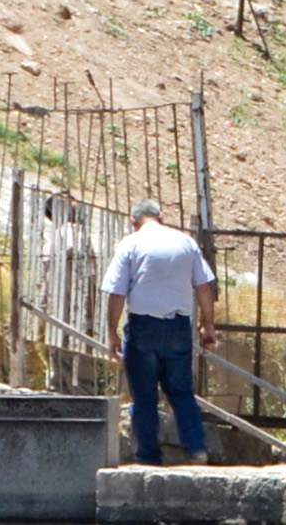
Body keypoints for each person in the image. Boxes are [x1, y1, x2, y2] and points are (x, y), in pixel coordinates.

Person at [99, 199, 218, 467]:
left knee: (144, 394)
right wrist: (208, 324)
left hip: (143, 326)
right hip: (178, 325)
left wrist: (112, 332)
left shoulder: (130, 244)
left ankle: (149, 457)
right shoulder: (185, 243)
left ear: (134, 221)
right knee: (181, 391)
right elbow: (203, 287)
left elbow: (117, 293)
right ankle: (196, 447)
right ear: (161, 217)